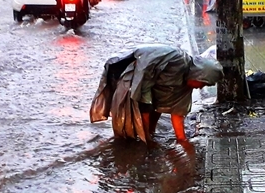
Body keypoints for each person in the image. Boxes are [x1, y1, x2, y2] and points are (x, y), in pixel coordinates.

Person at [89, 44, 223, 146]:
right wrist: (147, 140)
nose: (201, 88)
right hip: (130, 71)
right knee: (126, 121)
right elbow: (145, 100)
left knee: (156, 105)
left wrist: (182, 141)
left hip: (146, 79)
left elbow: (175, 111)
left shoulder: (185, 84)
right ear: (198, 75)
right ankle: (127, 146)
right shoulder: (176, 60)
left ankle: (148, 135)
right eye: (203, 84)